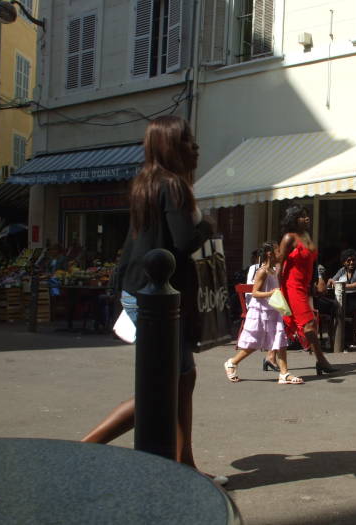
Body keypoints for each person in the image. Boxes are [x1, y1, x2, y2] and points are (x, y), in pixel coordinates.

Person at [80, 116, 226, 484]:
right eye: (188, 140)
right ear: (171, 146)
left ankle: (185, 464)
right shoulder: (174, 186)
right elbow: (181, 244)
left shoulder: (145, 184)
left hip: (140, 291)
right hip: (159, 299)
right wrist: (207, 225)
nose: (195, 147)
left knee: (182, 379)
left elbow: (142, 241)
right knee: (165, 385)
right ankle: (87, 446)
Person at [223, 242, 303, 384]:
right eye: (278, 251)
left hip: (273, 310)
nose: (280, 253)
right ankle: (232, 362)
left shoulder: (273, 270)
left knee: (281, 340)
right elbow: (254, 292)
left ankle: (284, 374)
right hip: (260, 311)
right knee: (254, 343)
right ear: (269, 253)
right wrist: (271, 293)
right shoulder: (262, 271)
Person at [278, 205, 337, 375]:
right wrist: (277, 291)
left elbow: (312, 262)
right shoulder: (289, 238)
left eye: (307, 216)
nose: (307, 218)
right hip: (292, 286)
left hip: (304, 287)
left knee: (295, 324)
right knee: (309, 324)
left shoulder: (306, 236)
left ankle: (270, 357)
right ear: (294, 219)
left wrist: (318, 280)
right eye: (303, 216)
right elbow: (279, 265)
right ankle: (321, 360)